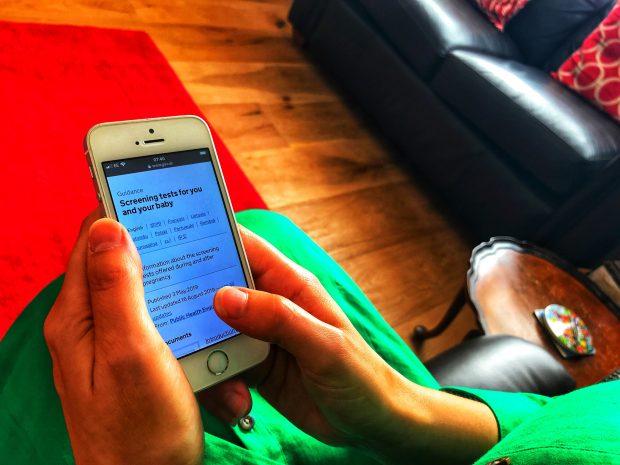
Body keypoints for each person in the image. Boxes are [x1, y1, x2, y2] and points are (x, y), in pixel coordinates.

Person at [1, 209, 619, 465]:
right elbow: (553, 425)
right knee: (262, 232)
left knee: (59, 371)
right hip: (450, 438)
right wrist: (397, 407)